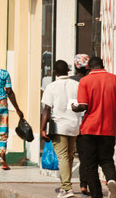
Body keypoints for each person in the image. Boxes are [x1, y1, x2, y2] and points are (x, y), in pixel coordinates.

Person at [72, 57, 116, 198]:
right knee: (107, 160)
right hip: (109, 129)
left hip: (89, 129)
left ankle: (97, 195)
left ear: (89, 67)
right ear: (103, 65)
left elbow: (84, 105)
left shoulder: (85, 81)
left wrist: (75, 107)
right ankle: (111, 180)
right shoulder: (114, 79)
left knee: (89, 166)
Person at [41, 60, 81, 198]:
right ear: (68, 71)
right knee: (69, 156)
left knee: (63, 157)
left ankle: (66, 188)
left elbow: (46, 109)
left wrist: (42, 129)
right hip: (74, 125)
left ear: (55, 72)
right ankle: (66, 185)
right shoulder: (77, 85)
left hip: (59, 126)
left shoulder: (51, 87)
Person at [70, 54, 90, 196]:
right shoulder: (90, 81)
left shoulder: (70, 81)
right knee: (84, 157)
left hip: (71, 122)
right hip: (86, 124)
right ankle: (84, 185)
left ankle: (66, 184)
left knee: (68, 155)